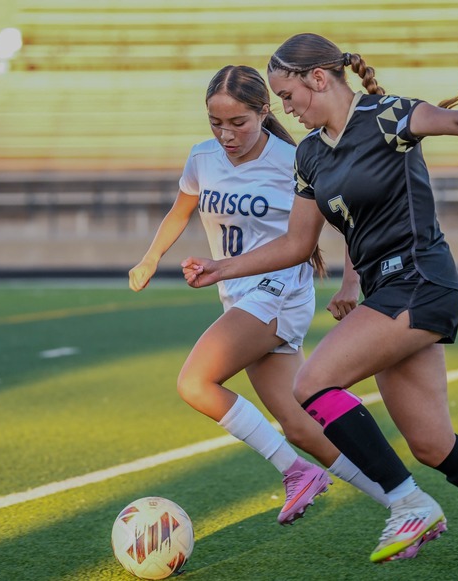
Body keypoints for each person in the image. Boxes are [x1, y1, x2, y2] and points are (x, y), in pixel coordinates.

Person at [182, 34, 458, 577]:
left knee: (311, 385)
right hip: (387, 292)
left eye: (287, 94)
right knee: (433, 445)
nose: (286, 108)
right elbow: (296, 245)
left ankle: (407, 504)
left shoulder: (386, 115)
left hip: (422, 280)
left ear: (318, 79)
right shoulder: (308, 153)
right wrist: (220, 269)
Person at [129, 64, 394, 528]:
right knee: (301, 428)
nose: (226, 134)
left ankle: (296, 474)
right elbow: (180, 211)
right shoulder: (202, 158)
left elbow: (349, 220)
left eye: (238, 123)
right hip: (238, 295)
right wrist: (150, 258)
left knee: (195, 383)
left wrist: (352, 282)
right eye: (216, 123)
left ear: (264, 111)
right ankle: (406, 504)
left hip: (277, 292)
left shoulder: (291, 161)